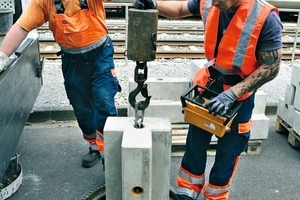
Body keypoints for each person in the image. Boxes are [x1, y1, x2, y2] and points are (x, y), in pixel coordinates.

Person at [133, 0, 282, 199]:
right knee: (196, 141)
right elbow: (179, 10)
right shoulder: (209, 2)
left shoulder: (265, 17)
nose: (214, 2)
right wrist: (152, 3)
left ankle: (215, 195)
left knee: (229, 150)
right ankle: (187, 191)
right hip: (210, 85)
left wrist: (232, 94)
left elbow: (271, 67)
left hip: (239, 95)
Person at [0, 0, 121, 168]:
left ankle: (111, 153)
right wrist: (2, 56)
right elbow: (21, 27)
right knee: (82, 108)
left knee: (104, 101)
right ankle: (94, 147)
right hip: (72, 61)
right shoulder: (43, 2)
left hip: (100, 57)